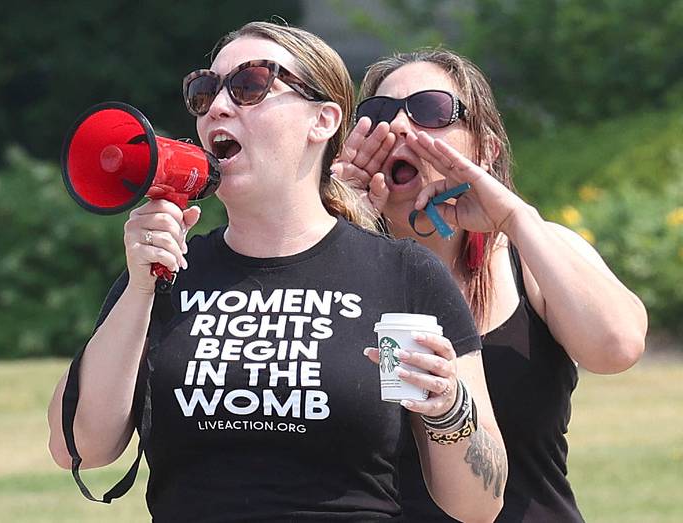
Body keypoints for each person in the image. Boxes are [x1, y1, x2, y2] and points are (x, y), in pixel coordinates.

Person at [47, 23, 509, 522]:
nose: (219, 106)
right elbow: (79, 447)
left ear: (324, 120)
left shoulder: (399, 274)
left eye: (251, 86)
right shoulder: (167, 275)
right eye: (205, 92)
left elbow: (479, 505)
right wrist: (140, 286)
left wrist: (448, 407)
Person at [332, 48, 648, 522]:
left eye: (430, 110)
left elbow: (616, 348)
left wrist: (513, 217)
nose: (398, 128)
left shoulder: (530, 249)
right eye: (377, 114)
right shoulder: (329, 262)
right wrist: (331, 220)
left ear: (485, 149)